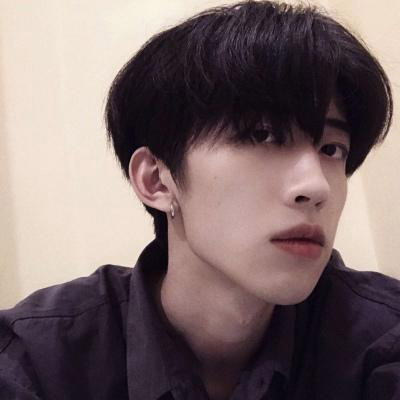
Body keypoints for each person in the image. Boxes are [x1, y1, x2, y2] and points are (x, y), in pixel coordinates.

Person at [0, 1, 398, 399]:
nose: (317, 186)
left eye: (332, 149)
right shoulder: (38, 359)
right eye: (262, 135)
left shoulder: (382, 335)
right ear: (156, 180)